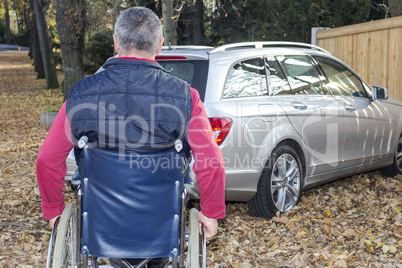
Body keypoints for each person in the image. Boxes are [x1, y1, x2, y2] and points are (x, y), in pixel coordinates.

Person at [36, 6, 225, 266]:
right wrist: (211, 212)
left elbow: (47, 159)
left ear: (116, 42)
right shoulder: (185, 96)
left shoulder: (81, 95)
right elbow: (211, 158)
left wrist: (53, 210)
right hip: (162, 218)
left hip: (102, 221)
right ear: (159, 45)